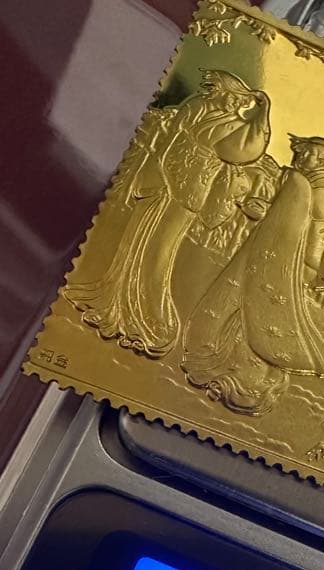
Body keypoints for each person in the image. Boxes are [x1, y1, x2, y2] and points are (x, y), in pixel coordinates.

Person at [65, 71, 271, 357]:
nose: (230, 102)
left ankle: (147, 315)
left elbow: (245, 150)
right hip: (163, 182)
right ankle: (116, 302)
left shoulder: (231, 124)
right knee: (136, 240)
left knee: (160, 251)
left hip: (186, 191)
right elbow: (174, 142)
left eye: (232, 98)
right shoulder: (196, 107)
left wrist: (262, 114)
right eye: (227, 96)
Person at [182, 135, 324, 416]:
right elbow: (286, 216)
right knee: (243, 300)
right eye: (301, 152)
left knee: (263, 310)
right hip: (270, 250)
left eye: (309, 153)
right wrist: (267, 212)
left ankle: (249, 380)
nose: (301, 157)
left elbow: (313, 231)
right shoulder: (299, 180)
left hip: (291, 260)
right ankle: (223, 363)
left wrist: (272, 219)